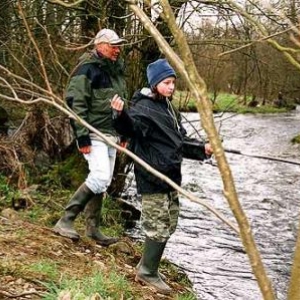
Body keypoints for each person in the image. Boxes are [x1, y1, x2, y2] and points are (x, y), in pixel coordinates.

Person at [111, 58, 213, 294]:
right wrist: (119, 115)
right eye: (166, 82)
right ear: (155, 83)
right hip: (153, 177)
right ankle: (146, 272)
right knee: (156, 226)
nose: (171, 87)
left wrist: (203, 149)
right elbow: (131, 128)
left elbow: (181, 142)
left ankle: (149, 265)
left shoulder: (169, 108)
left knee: (169, 223)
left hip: (171, 178)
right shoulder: (143, 109)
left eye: (173, 83)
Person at [53, 28, 128, 247]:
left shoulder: (117, 70)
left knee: (102, 182)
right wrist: (82, 137)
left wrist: (123, 131)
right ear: (100, 45)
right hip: (93, 133)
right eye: (113, 45)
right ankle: (65, 220)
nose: (118, 49)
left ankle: (93, 229)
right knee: (100, 176)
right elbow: (76, 105)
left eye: (119, 45)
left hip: (112, 134)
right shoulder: (86, 69)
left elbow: (121, 104)